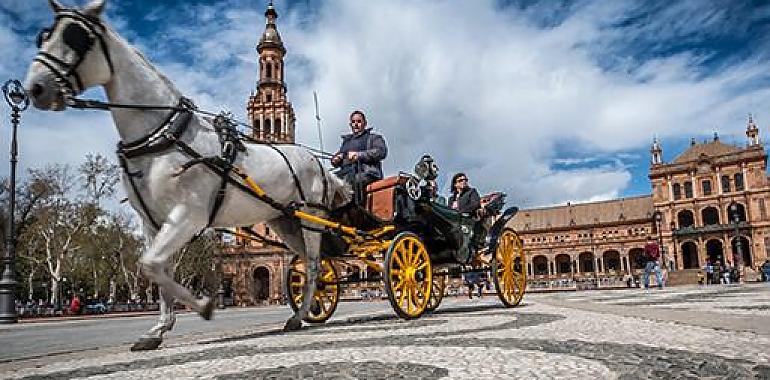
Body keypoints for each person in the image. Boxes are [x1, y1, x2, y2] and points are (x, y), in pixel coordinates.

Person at [331, 110, 388, 204]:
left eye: (359, 121)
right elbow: (335, 160)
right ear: (350, 124)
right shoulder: (346, 142)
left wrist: (359, 155)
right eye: (353, 122)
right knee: (329, 183)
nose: (356, 124)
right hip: (345, 174)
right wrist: (335, 159)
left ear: (365, 123)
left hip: (367, 173)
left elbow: (381, 151)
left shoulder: (374, 138)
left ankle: (355, 209)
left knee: (353, 181)